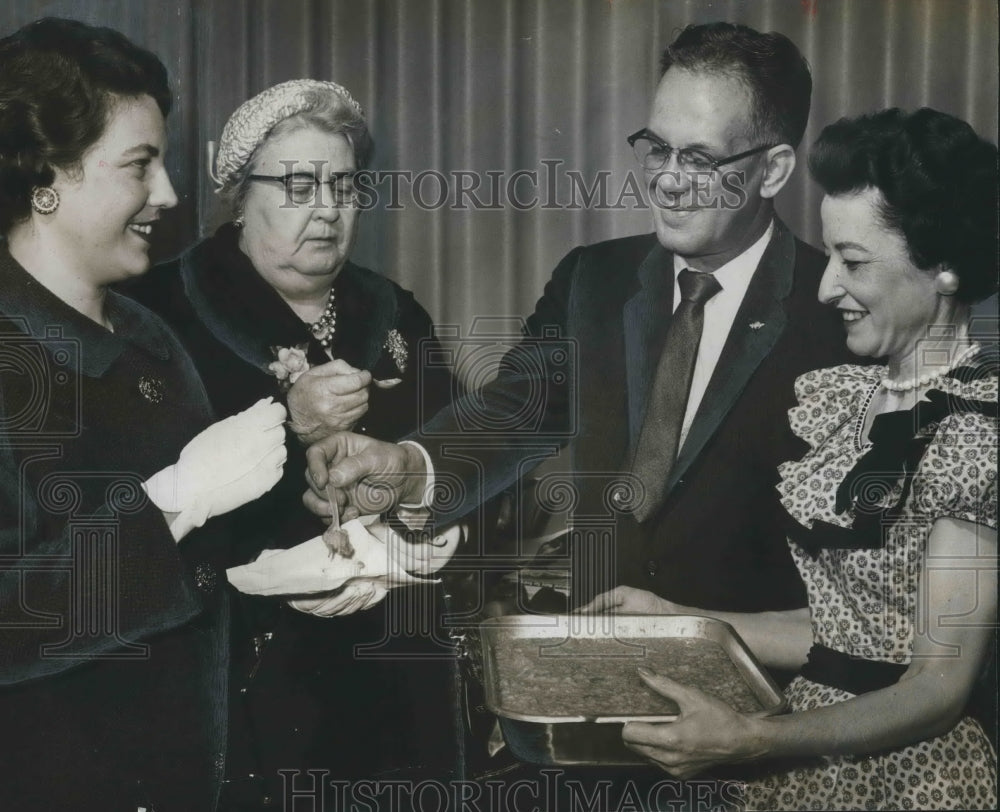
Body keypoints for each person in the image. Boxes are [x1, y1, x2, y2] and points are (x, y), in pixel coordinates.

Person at [306, 22, 854, 618]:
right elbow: (514, 412)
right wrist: (412, 467)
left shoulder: (843, 313)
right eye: (657, 148)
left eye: (699, 159)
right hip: (597, 655)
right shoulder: (593, 280)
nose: (668, 181)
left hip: (759, 670)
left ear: (773, 170)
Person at [589, 108, 998, 811]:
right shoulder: (851, 398)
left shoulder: (975, 436)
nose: (826, 287)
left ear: (945, 269)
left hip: (910, 781)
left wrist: (753, 739)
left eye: (854, 262)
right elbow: (844, 633)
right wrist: (677, 617)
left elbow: (937, 687)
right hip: (810, 761)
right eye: (830, 255)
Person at [124, 80, 461, 803]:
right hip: (238, 685)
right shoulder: (157, 309)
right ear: (239, 197)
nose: (328, 209)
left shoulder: (393, 311)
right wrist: (287, 420)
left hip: (394, 679)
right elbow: (136, 508)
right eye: (299, 186)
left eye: (345, 186)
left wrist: (419, 514)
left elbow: (461, 458)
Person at [0, 17, 286, 811]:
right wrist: (172, 504)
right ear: (46, 179)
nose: (168, 195)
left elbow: (193, 578)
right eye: (139, 166)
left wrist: (289, 567)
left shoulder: (147, 334)